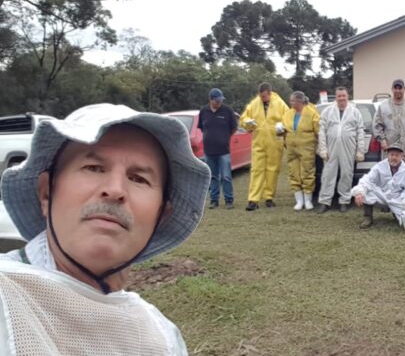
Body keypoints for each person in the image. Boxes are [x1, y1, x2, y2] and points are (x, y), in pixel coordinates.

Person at [0, 103, 211, 355]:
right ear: (46, 193)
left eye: (138, 179)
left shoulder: (161, 338)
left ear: (161, 217)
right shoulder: (7, 297)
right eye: (94, 168)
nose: (115, 190)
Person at [317, 87, 367, 214]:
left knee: (346, 173)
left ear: (347, 96)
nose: (341, 98)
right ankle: (324, 201)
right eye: (339, 96)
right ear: (336, 97)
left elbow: (360, 131)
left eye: (343, 96)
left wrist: (360, 151)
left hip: (348, 148)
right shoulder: (328, 111)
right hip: (331, 148)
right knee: (328, 174)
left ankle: (344, 201)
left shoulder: (355, 112)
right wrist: (322, 149)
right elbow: (322, 131)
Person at [240, 82, 288, 211]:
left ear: (270, 93)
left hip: (275, 141)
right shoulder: (254, 104)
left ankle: (269, 197)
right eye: (261, 96)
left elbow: (288, 119)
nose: (262, 99)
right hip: (258, 142)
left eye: (264, 97)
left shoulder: (280, 104)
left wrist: (282, 127)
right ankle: (253, 199)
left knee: (272, 170)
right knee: (256, 170)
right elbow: (243, 119)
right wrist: (247, 122)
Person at [352, 144, 405, 231]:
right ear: (388, 155)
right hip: (381, 195)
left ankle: (397, 215)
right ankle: (367, 217)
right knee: (366, 190)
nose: (394, 158)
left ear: (402, 156)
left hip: (397, 198)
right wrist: (359, 192)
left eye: (397, 155)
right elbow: (367, 179)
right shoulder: (379, 166)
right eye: (392, 155)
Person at [198, 88, 238, 209]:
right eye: (217, 100)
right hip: (209, 151)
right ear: (210, 100)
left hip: (224, 150)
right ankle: (214, 200)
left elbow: (234, 127)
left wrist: (225, 138)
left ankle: (229, 200)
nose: (219, 102)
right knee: (213, 176)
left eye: (221, 100)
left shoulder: (227, 111)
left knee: (226, 176)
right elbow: (201, 127)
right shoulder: (203, 111)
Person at [280, 91, 320, 211]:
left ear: (299, 101)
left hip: (307, 148)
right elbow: (283, 129)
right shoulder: (287, 114)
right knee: (293, 172)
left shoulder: (312, 113)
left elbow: (319, 131)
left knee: (307, 172)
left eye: (292, 100)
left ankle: (308, 200)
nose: (290, 102)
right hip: (292, 148)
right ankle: (299, 200)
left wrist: (320, 146)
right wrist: (280, 131)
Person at [372, 79, 405, 167]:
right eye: (395, 88)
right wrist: (382, 140)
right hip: (388, 146)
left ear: (404, 89)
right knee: (387, 172)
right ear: (392, 89)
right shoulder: (383, 106)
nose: (398, 90)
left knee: (404, 172)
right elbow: (377, 125)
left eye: (400, 88)